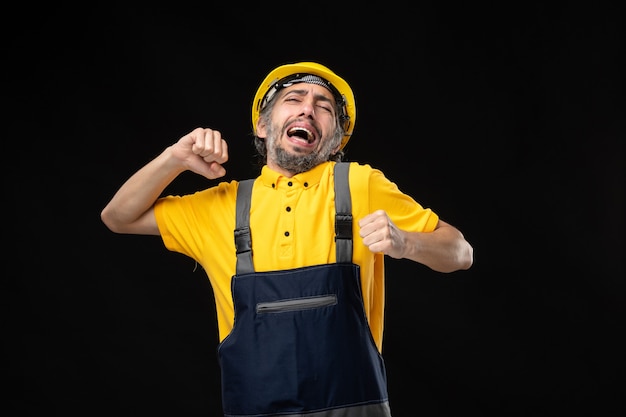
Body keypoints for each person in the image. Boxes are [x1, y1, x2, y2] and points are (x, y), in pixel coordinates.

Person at [101, 61, 474, 417]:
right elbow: (117, 217)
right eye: (293, 100)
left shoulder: (360, 185)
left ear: (336, 139)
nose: (308, 110)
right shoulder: (222, 206)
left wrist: (406, 243)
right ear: (263, 126)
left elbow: (460, 252)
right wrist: (174, 159)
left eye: (323, 106)